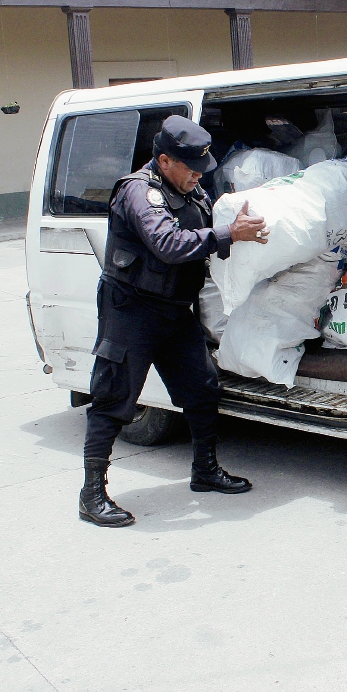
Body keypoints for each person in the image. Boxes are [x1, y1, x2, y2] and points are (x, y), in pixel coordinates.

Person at [79, 115, 269, 528]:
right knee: (113, 398)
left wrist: (244, 232)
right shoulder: (138, 193)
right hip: (131, 310)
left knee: (202, 389)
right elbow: (166, 243)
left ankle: (204, 471)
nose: (199, 175)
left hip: (174, 309)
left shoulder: (189, 188)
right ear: (164, 161)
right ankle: (92, 493)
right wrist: (227, 236)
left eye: (202, 168)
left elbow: (207, 230)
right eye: (191, 167)